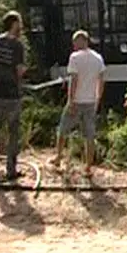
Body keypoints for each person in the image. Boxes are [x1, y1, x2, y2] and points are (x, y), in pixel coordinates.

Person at [52, 30, 105, 177]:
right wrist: (98, 98)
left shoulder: (74, 57)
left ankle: (58, 157)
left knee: (63, 128)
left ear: (82, 41)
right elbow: (101, 80)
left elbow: (73, 80)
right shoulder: (98, 58)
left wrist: (71, 100)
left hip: (77, 100)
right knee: (89, 134)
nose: (73, 45)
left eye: (75, 41)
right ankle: (88, 166)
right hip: (91, 101)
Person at [0, 11, 27, 182]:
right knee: (13, 133)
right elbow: (19, 70)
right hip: (12, 95)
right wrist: (22, 73)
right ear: (14, 24)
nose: (21, 27)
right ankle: (10, 170)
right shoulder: (17, 46)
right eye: (20, 23)